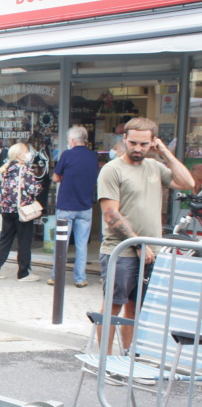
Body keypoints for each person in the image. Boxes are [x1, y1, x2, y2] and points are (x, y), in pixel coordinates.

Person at [97, 117, 193, 352]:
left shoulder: (154, 166)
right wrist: (139, 245)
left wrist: (165, 153)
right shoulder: (112, 170)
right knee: (113, 307)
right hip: (121, 252)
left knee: (136, 307)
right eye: (133, 143)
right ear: (124, 140)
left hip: (151, 252)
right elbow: (110, 214)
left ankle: (129, 359)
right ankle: (106, 363)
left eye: (144, 144)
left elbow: (187, 182)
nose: (138, 148)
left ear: (153, 143)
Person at [49, 126, 99, 287]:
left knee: (61, 243)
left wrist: (65, 177)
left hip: (66, 206)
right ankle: (80, 279)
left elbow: (56, 178)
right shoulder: (93, 156)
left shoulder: (67, 154)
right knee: (82, 244)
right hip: (85, 207)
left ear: (72, 140)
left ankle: (56, 277)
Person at [0, 142, 42, 281]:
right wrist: (39, 186)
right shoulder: (25, 170)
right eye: (26, 151)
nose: (29, 153)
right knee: (24, 241)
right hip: (21, 210)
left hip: (7, 209)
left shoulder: (7, 169)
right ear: (20, 155)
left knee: (5, 239)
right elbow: (33, 189)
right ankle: (24, 272)